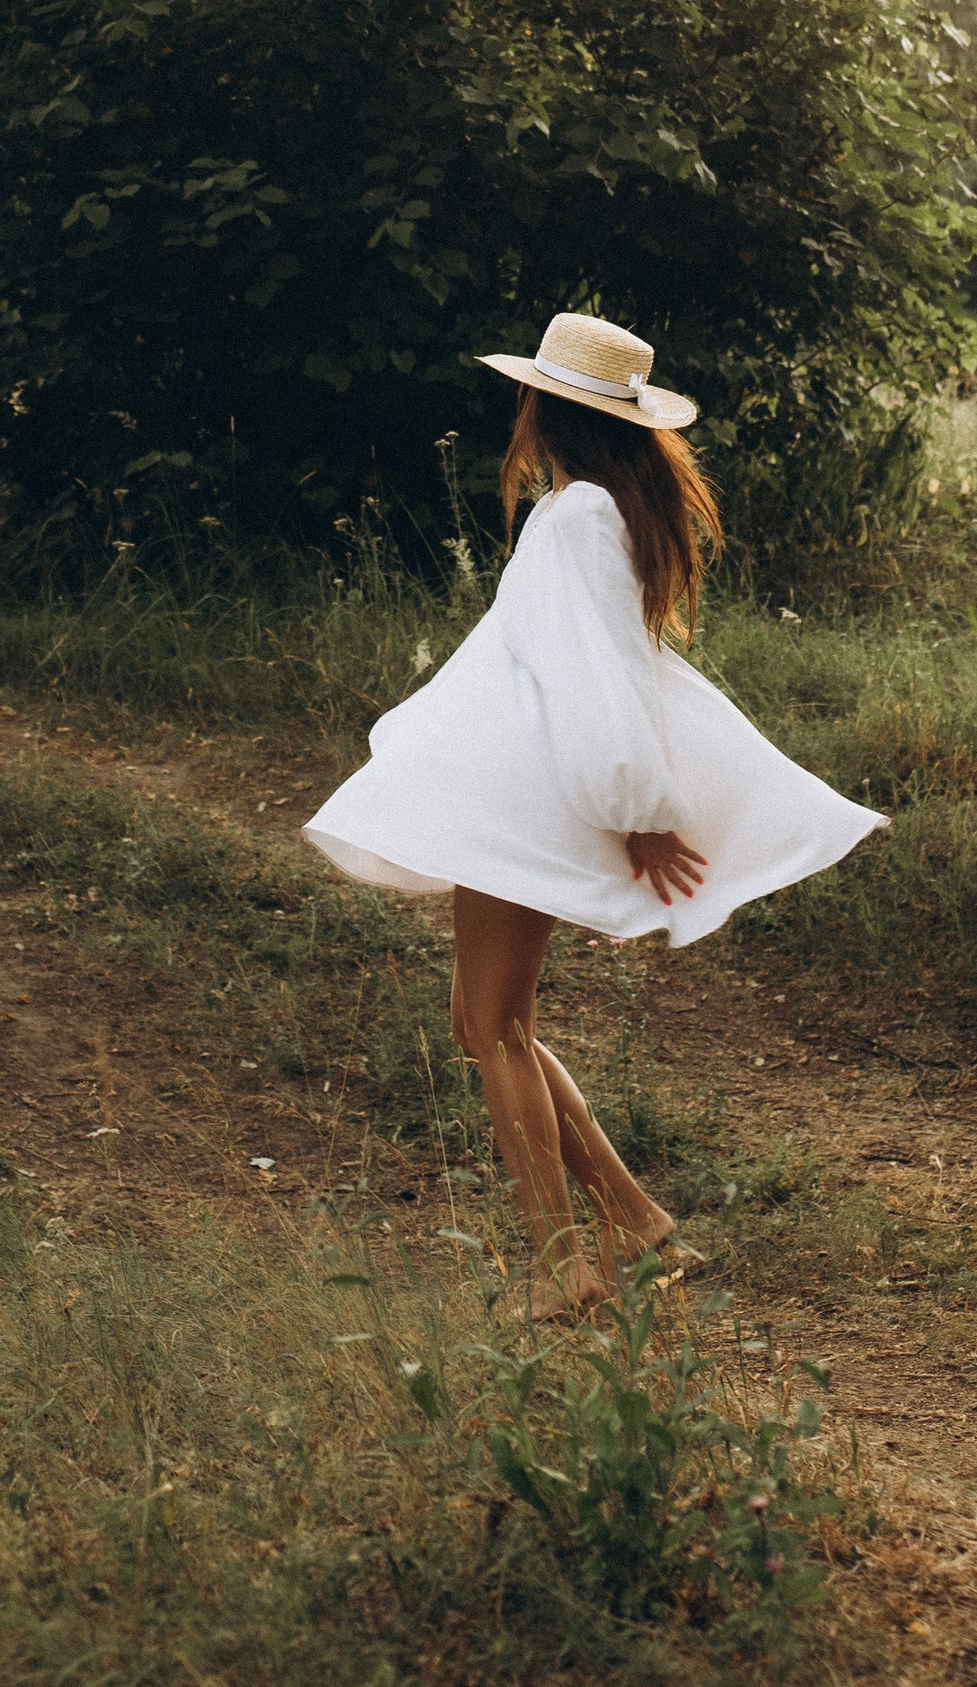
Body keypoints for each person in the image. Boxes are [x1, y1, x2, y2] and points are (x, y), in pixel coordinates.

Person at [303, 311, 885, 1316]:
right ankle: (628, 1217)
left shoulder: (571, 517)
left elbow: (596, 672)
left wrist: (636, 804)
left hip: (531, 791)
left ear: (542, 405)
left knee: (494, 1028)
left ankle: (559, 1261)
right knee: (487, 1023)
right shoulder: (603, 507)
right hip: (531, 782)